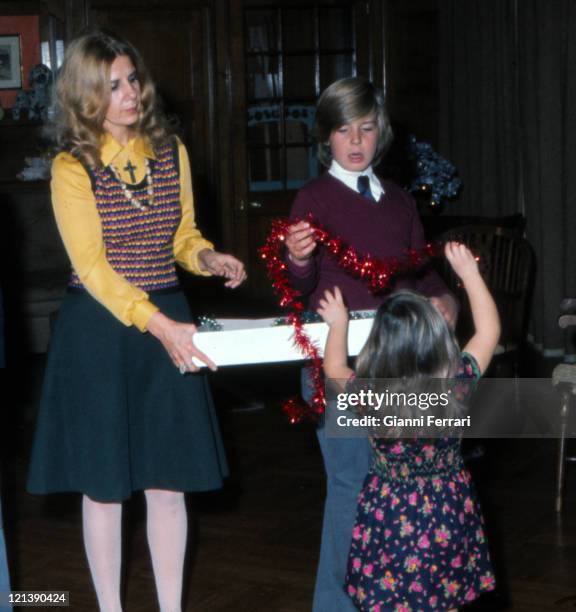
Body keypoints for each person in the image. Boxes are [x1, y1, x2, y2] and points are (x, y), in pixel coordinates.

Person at [27, 30, 245, 612]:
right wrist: (160, 324)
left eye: (133, 79)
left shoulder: (170, 152)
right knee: (104, 489)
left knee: (169, 482)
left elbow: (182, 236)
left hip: (168, 318)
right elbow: (93, 270)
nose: (130, 94)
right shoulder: (71, 168)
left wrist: (206, 257)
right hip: (101, 332)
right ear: (84, 96)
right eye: (113, 85)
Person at [285, 76, 457, 610]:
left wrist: (445, 296)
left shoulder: (400, 202)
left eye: (366, 128)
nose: (356, 141)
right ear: (326, 139)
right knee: (351, 487)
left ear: (380, 133)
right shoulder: (311, 198)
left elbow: (418, 273)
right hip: (339, 364)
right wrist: (300, 259)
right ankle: (334, 604)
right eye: (343, 130)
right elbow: (298, 290)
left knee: (401, 495)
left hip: (401, 364)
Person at [317, 242, 499, 611]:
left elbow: (334, 369)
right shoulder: (458, 383)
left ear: (379, 345)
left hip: (389, 518)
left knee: (390, 600)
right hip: (447, 514)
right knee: (445, 595)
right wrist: (469, 276)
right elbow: (489, 332)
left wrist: (338, 323)